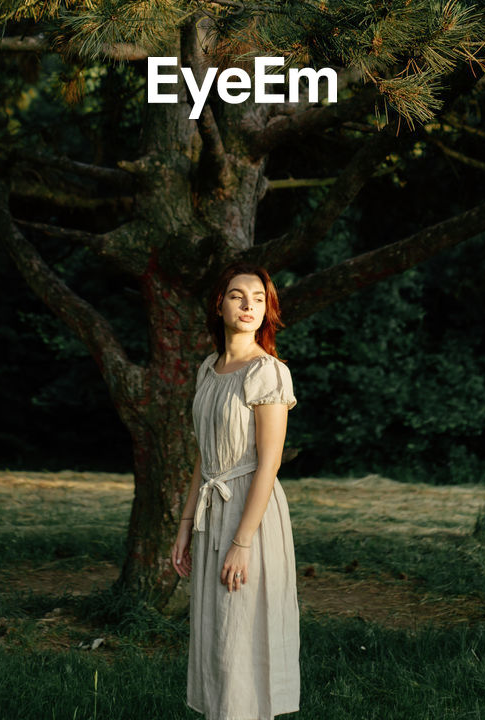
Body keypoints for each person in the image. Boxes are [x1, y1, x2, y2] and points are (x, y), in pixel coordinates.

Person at [171, 264, 300, 720]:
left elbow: (269, 462)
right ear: (219, 305)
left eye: (259, 299)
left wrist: (242, 542)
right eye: (237, 296)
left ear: (268, 310)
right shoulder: (210, 369)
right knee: (218, 634)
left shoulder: (268, 372)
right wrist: (185, 525)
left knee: (242, 630)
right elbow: (205, 458)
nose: (249, 305)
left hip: (251, 513)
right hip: (212, 509)